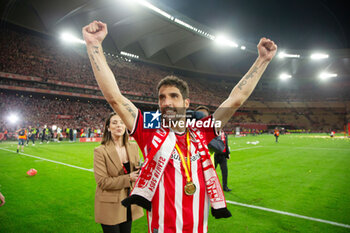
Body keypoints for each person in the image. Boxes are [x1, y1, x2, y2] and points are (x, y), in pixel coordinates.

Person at [83, 20, 277, 233]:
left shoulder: (201, 130)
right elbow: (115, 98)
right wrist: (94, 45)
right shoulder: (148, 130)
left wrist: (262, 60)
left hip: (197, 227)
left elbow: (235, 99)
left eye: (174, 96)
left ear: (186, 103)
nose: (166, 102)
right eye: (162, 98)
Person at [94, 112, 143, 233]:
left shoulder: (133, 147)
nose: (119, 125)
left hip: (129, 203)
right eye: (114, 123)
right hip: (109, 205)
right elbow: (103, 182)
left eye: (122, 122)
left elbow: (137, 171)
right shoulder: (100, 151)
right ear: (108, 127)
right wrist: (129, 178)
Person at [195, 106, 231, 192]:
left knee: (221, 172)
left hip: (219, 156)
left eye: (205, 116)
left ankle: (224, 186)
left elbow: (223, 145)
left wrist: (228, 153)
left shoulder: (216, 132)